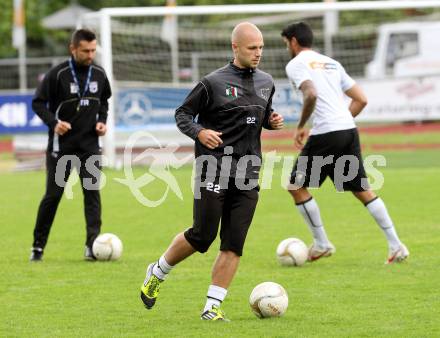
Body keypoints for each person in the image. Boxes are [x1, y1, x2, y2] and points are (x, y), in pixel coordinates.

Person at [140, 22, 284, 321]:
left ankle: (211, 307)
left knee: (234, 243)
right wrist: (199, 132)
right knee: (202, 236)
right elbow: (182, 114)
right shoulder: (212, 83)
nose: (258, 53)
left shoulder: (267, 81)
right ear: (235, 48)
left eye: (261, 48)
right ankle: (158, 271)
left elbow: (258, 115)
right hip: (214, 168)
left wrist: (271, 120)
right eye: (251, 48)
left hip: (248, 171)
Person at [281, 22, 409, 264]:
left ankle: (321, 244)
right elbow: (361, 99)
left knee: (295, 185)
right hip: (348, 129)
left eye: (287, 43)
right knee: (362, 190)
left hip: (326, 132)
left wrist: (300, 127)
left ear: (294, 41)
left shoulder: (296, 64)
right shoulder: (331, 62)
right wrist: (341, 121)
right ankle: (396, 245)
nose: (287, 47)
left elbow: (311, 93)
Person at [30, 29, 111, 261]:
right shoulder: (58, 74)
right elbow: (38, 103)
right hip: (61, 148)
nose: (90, 55)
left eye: (93, 50)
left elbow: (104, 101)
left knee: (92, 194)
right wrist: (54, 122)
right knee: (53, 196)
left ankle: (92, 246)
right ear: (73, 49)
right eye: (85, 51)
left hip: (89, 147)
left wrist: (102, 122)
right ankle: (38, 246)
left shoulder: (99, 73)